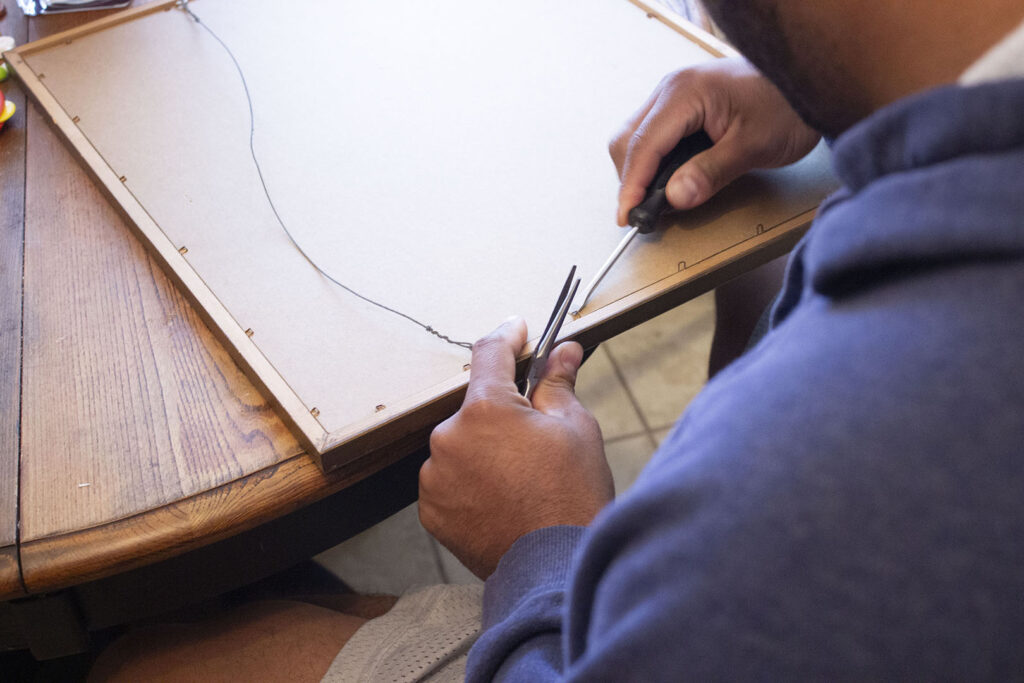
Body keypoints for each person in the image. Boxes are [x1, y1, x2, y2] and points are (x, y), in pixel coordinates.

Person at [92, 0, 1024, 680]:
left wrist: (541, 540)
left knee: (149, 661)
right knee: (760, 261)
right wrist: (823, 94)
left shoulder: (840, 478)